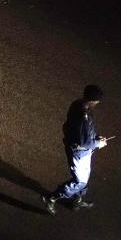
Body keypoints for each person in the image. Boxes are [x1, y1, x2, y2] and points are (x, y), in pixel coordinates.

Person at [44, 84, 108, 214]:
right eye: (97, 102)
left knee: (85, 177)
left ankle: (76, 201)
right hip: (79, 152)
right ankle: (51, 198)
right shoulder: (84, 115)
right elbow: (85, 141)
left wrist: (95, 137)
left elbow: (80, 132)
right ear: (92, 101)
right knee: (80, 181)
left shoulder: (77, 104)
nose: (97, 104)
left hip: (80, 149)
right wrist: (98, 143)